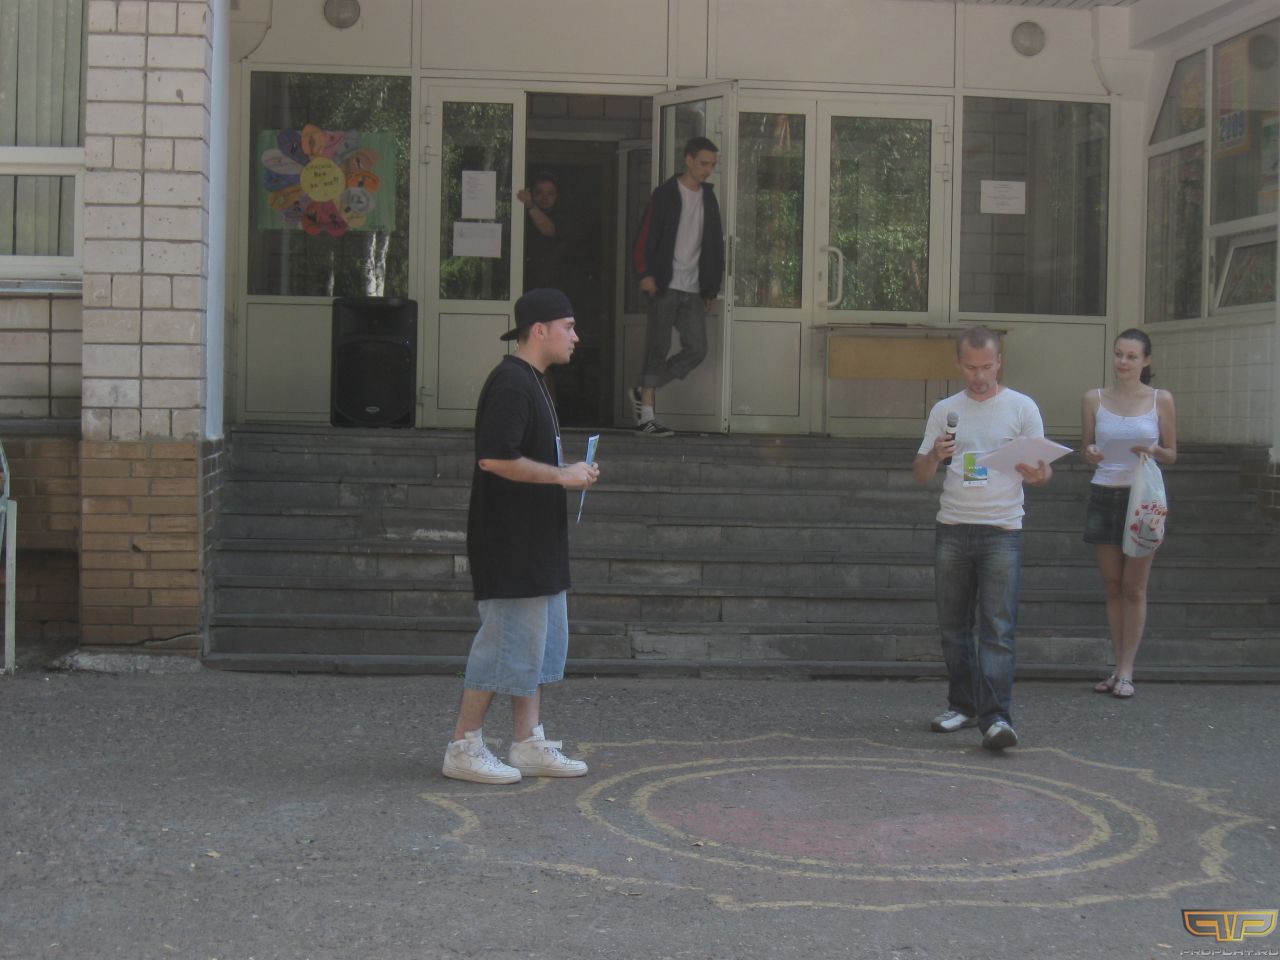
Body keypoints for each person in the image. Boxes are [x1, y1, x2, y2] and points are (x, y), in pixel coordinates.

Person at [442, 288, 600, 785]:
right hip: (510, 543)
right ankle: (463, 746)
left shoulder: (533, 381)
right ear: (540, 330)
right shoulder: (512, 382)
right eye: (568, 327)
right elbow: (494, 458)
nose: (575, 337)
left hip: (537, 542)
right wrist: (562, 475)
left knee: (535, 646)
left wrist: (567, 472)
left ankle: (527, 742)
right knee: (503, 645)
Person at [913, 327, 1053, 751]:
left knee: (998, 628)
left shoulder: (1022, 407)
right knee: (953, 627)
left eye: (987, 367)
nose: (979, 376)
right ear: (959, 364)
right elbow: (920, 474)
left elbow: (1044, 470)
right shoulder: (945, 410)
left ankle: (996, 718)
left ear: (999, 362)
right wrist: (934, 455)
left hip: (1003, 529)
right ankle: (963, 705)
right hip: (953, 526)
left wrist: (1038, 474)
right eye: (971, 368)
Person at [1079, 328, 1178, 700]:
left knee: (1134, 587)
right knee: (1112, 585)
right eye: (1119, 354)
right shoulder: (1093, 398)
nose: (1123, 362)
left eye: (1132, 356)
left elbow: (1172, 453)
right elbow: (1087, 447)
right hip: (1104, 492)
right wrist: (1090, 452)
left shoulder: (1160, 399)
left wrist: (1153, 450)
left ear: (1145, 361)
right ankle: (1115, 666)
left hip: (1143, 499)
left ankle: (1126, 670)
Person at [629, 136, 725, 437]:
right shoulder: (666, 195)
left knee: (697, 348)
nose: (707, 170)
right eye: (703, 163)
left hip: (694, 287)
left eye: (712, 165)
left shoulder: (709, 198)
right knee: (657, 347)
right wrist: (644, 273)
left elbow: (715, 245)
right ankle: (647, 415)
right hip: (665, 284)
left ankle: (645, 388)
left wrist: (710, 288)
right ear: (688, 160)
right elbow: (645, 236)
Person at [517, 172, 570, 291]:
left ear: (557, 196)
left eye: (550, 193)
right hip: (524, 285)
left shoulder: (563, 219)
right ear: (531, 193)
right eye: (539, 192)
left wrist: (530, 205)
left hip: (554, 288)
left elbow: (549, 230)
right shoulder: (521, 216)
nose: (544, 198)